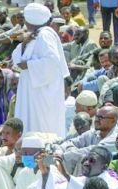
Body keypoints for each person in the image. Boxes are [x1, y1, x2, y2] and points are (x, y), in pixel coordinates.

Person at [12, 4, 69, 138]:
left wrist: (29, 65)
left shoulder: (45, 34)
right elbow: (17, 58)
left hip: (42, 89)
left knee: (41, 125)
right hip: (33, 87)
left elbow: (52, 60)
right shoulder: (36, 35)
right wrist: (25, 43)